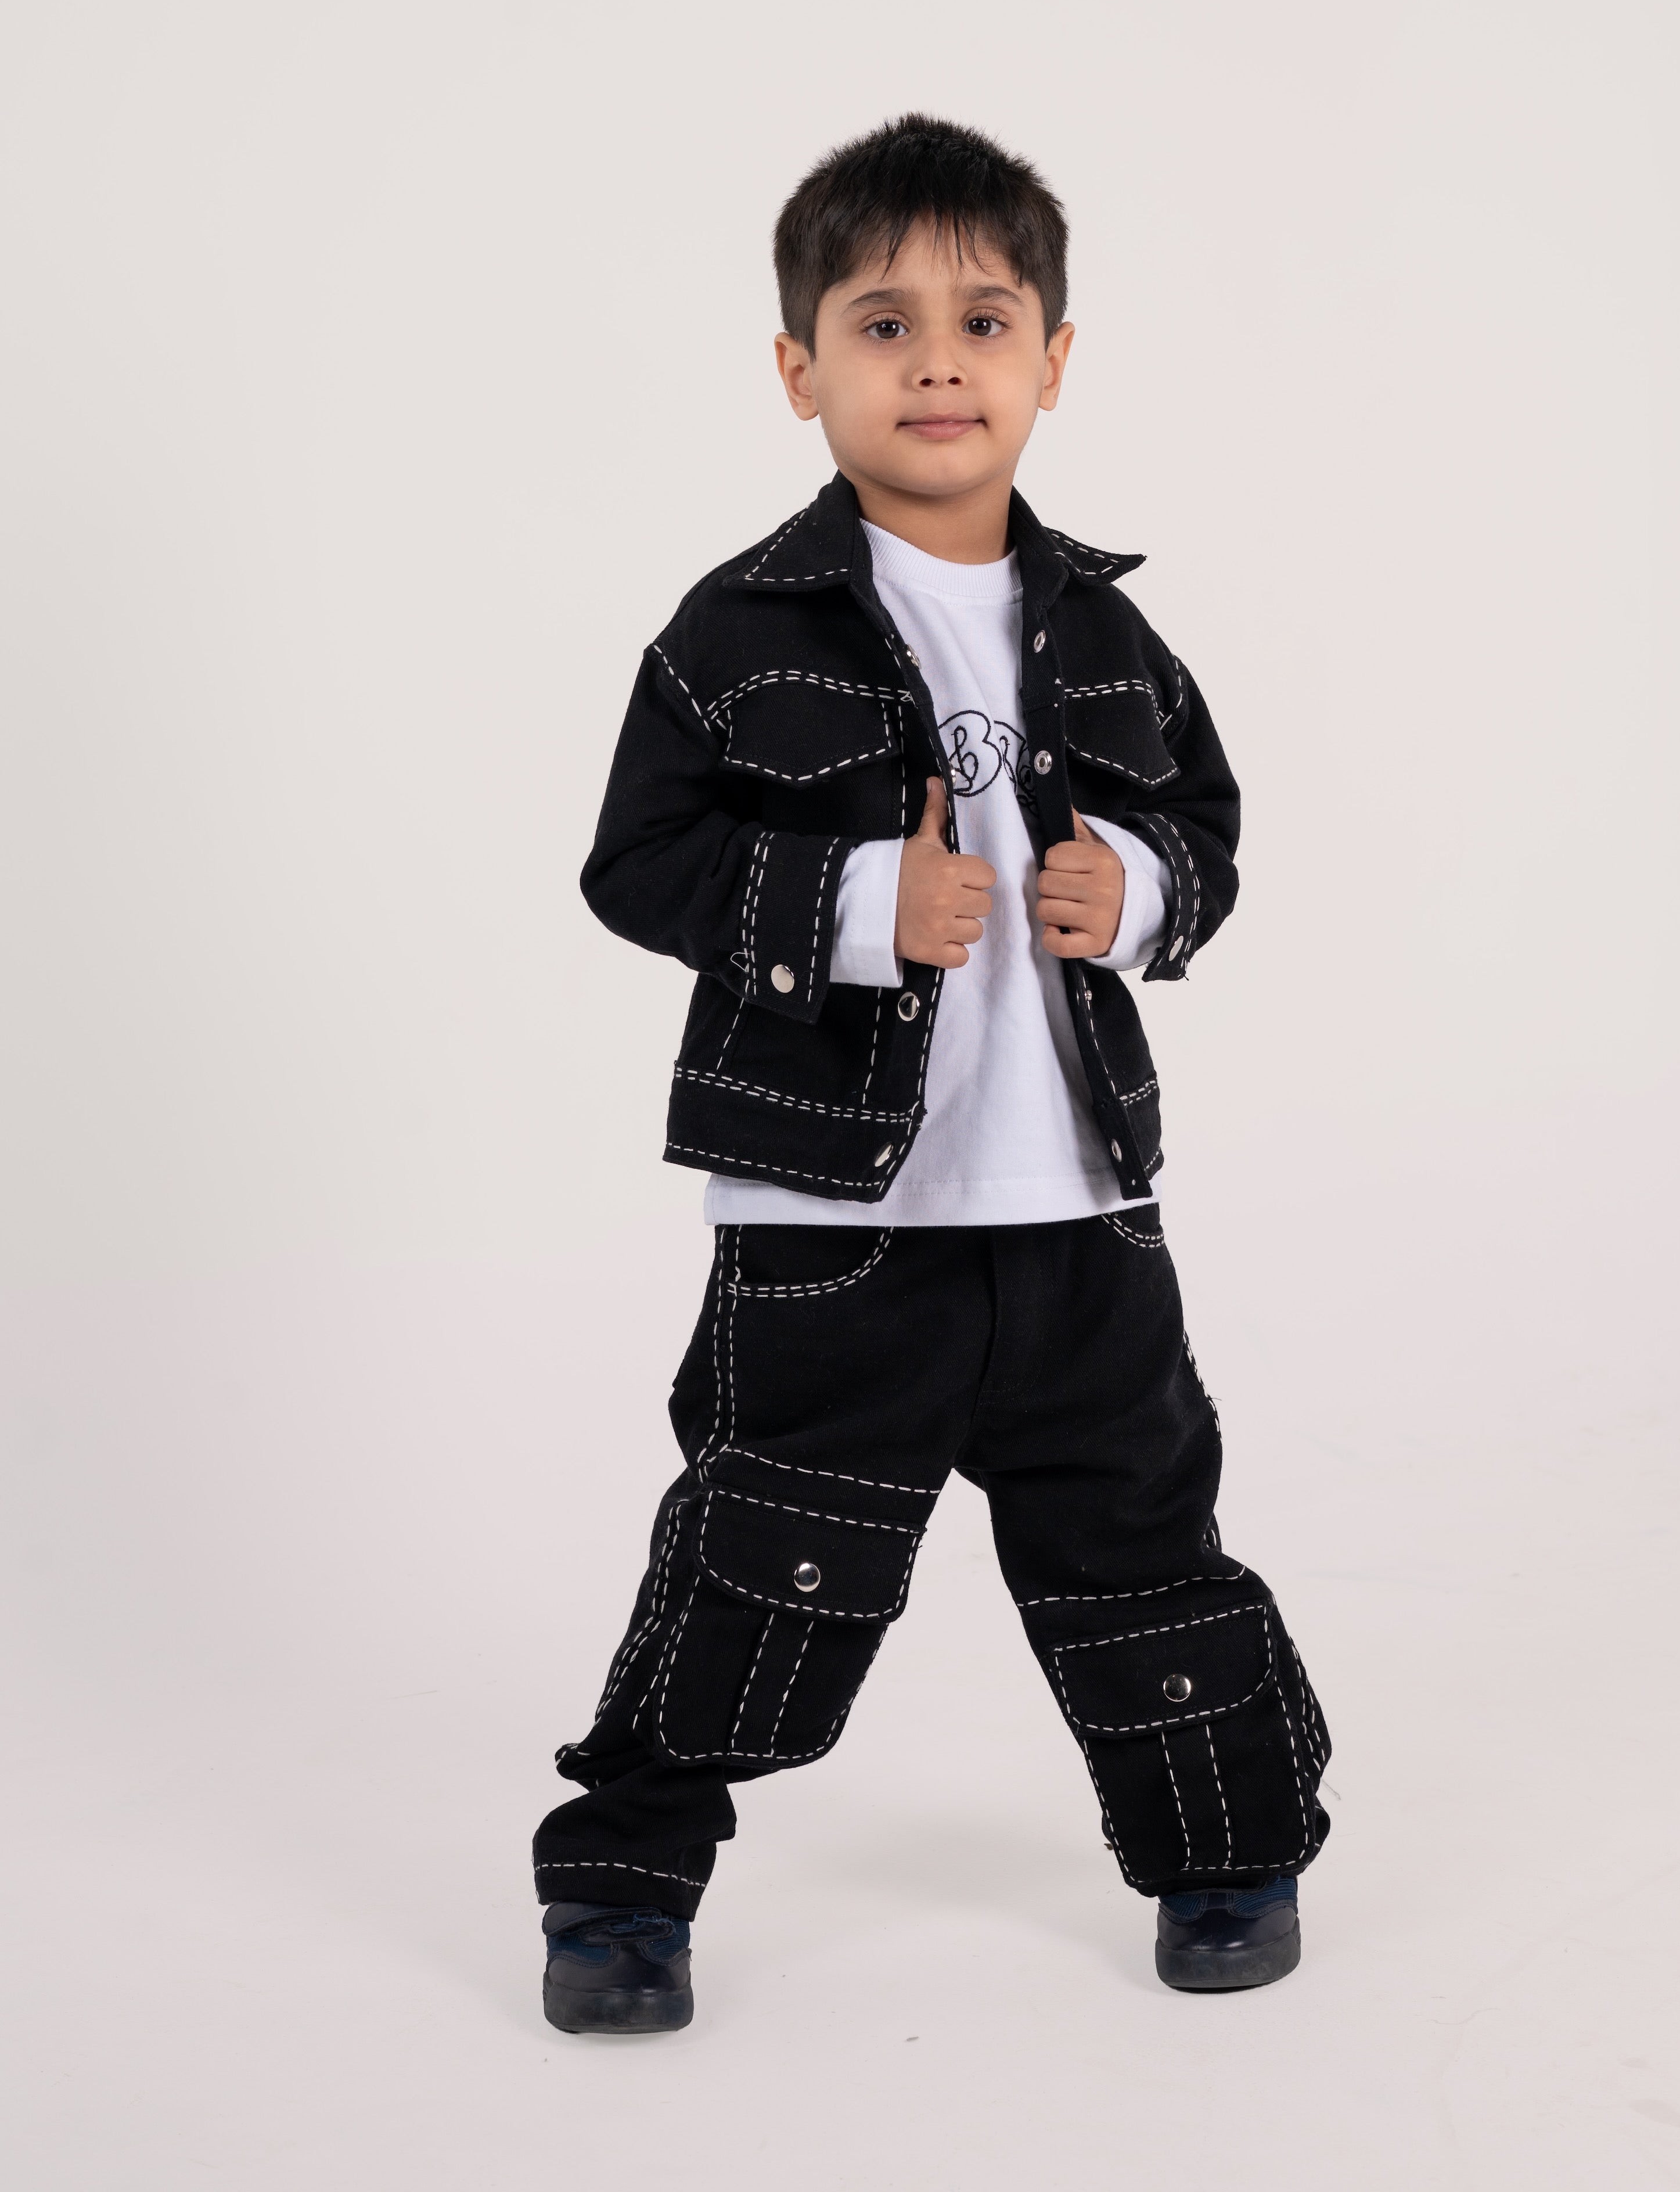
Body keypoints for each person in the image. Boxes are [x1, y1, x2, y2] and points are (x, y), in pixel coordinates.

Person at [534, 115, 1330, 2033]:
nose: (939, 362)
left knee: (1141, 1543)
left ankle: (1228, 1853)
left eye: (985, 320)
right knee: (759, 1557)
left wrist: (1136, 887)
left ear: (1056, 358)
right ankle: (624, 1887)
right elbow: (638, 864)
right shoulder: (735, 630)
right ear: (799, 370)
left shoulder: (1109, 627)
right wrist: (851, 897)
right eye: (882, 324)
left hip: (1078, 1213)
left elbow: (1206, 831)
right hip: (831, 1223)